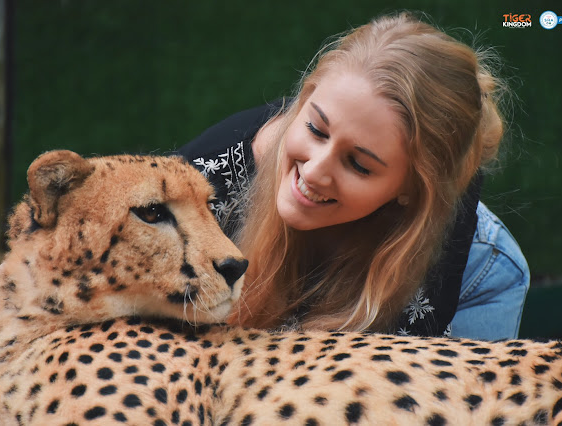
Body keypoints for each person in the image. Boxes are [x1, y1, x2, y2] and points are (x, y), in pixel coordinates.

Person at [178, 12, 530, 339]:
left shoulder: (484, 269)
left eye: (359, 164)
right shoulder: (196, 185)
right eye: (316, 129)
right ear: (304, 99)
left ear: (411, 190)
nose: (314, 171)